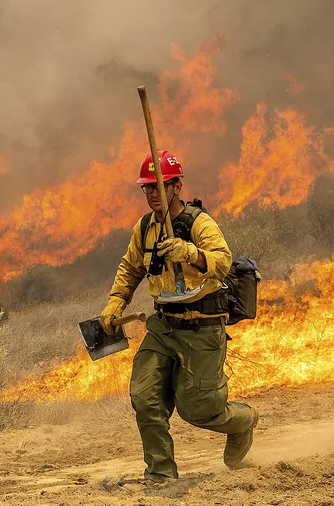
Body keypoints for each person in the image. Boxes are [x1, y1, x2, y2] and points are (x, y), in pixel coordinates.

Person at [99, 150, 258, 484]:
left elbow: (222, 261)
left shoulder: (199, 223)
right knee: (145, 398)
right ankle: (161, 474)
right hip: (163, 326)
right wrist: (115, 304)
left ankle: (243, 421)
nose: (153, 193)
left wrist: (191, 253)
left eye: (160, 186)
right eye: (147, 188)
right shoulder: (144, 228)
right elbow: (130, 268)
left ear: (177, 186)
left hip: (202, 326)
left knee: (198, 409)